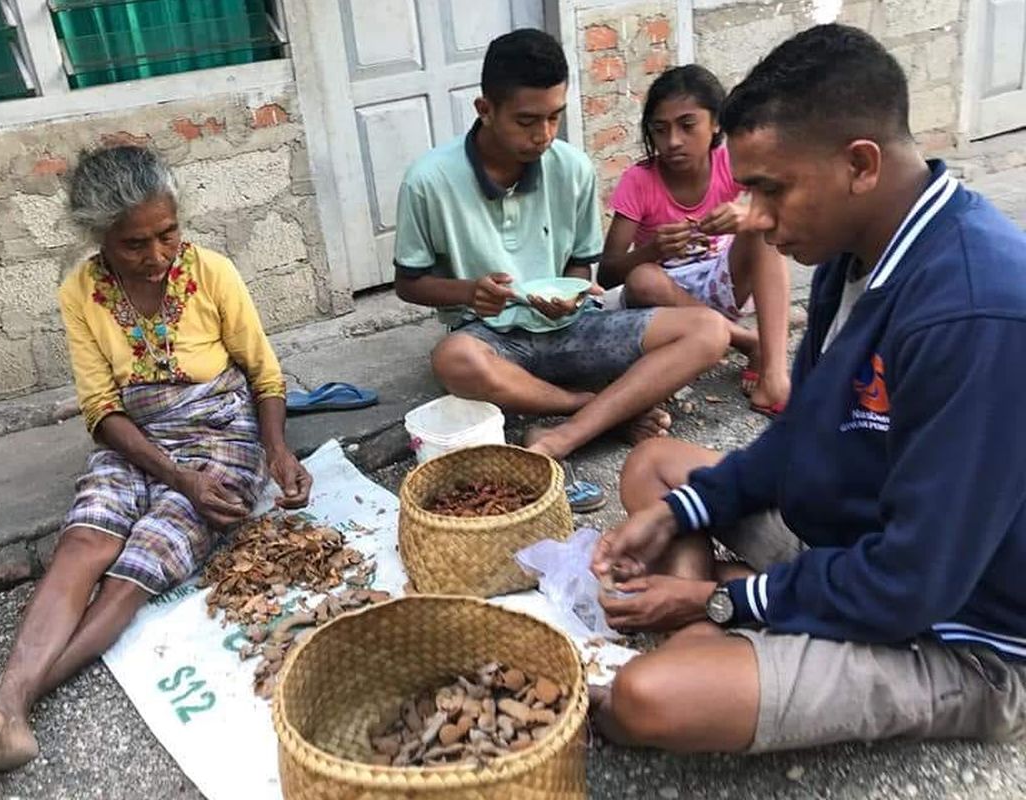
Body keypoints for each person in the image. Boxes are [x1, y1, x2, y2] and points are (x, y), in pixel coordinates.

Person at [591, 24, 1026, 754]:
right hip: (855, 543)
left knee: (645, 700)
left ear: (860, 164)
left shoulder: (976, 312)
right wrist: (682, 517)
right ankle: (720, 626)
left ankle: (715, 627)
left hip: (955, 630)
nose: (754, 218)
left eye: (769, 189)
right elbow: (802, 433)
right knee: (657, 472)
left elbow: (912, 582)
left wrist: (720, 599)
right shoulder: (852, 255)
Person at [0, 145, 312, 775]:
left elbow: (264, 375)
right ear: (98, 236)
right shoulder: (82, 292)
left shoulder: (211, 273)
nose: (157, 256)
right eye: (135, 245)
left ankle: (14, 707)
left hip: (218, 435)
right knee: (85, 541)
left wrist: (276, 450)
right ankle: (7, 718)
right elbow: (102, 409)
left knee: (138, 566)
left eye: (168, 234)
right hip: (134, 438)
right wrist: (173, 474)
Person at [394, 29, 730, 464]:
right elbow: (409, 283)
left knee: (709, 330)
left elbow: (579, 266)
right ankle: (591, 407)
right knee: (453, 359)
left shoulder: (572, 169)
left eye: (555, 117)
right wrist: (469, 292)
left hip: (572, 329)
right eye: (527, 121)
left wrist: (571, 296)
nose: (544, 134)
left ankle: (565, 430)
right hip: (491, 337)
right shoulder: (428, 181)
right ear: (486, 110)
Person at [599, 65, 791, 416]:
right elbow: (607, 274)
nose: (673, 141)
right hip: (667, 304)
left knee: (762, 231)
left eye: (688, 126)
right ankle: (748, 342)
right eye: (660, 129)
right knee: (642, 278)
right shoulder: (638, 180)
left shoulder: (729, 162)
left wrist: (748, 213)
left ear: (716, 123)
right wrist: (652, 250)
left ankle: (774, 369)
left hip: (723, 282)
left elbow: (784, 211)